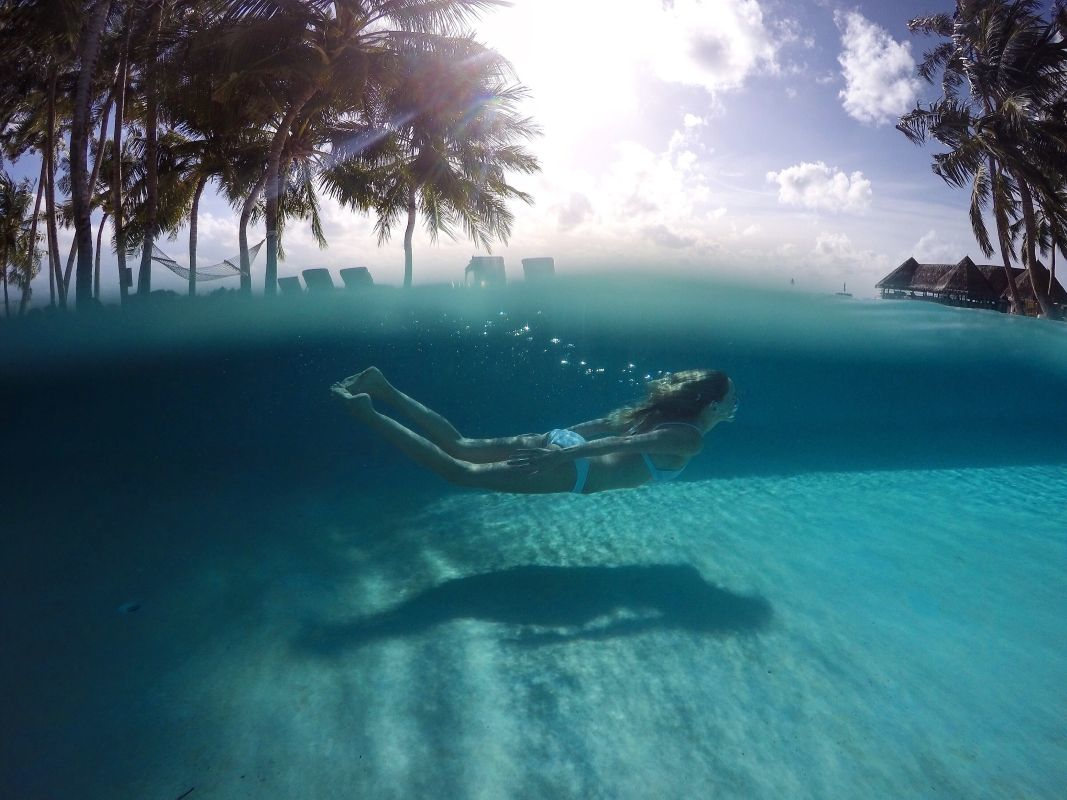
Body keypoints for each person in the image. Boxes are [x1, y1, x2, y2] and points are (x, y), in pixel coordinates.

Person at [331, 367, 737, 495]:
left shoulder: (658, 412)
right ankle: (367, 412)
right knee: (459, 471)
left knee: (461, 445)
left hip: (563, 443)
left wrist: (558, 438)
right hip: (572, 467)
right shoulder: (690, 438)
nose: (737, 404)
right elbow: (625, 442)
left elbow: (599, 426)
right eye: (731, 398)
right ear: (714, 405)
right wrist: (561, 456)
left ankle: (382, 387)